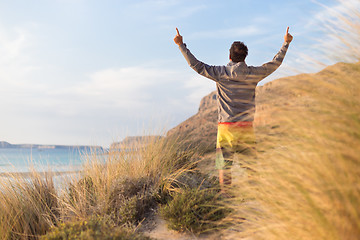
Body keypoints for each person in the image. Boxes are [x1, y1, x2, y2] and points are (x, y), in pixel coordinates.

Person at [174, 27, 293, 194]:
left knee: (224, 166)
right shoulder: (253, 73)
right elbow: (275, 63)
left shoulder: (220, 73)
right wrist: (286, 43)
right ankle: (256, 195)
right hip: (246, 127)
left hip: (226, 127)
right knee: (250, 166)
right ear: (245, 57)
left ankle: (226, 196)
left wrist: (181, 45)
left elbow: (196, 65)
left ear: (229, 56)